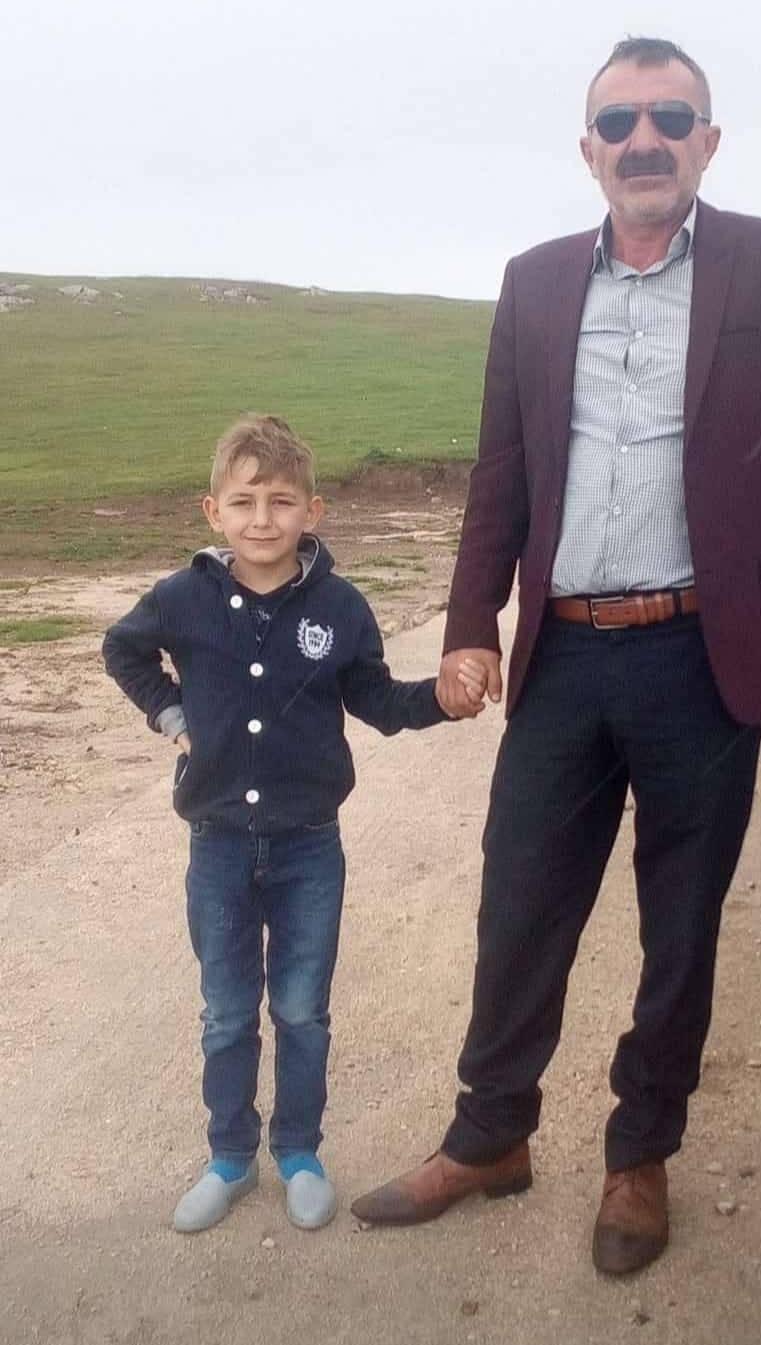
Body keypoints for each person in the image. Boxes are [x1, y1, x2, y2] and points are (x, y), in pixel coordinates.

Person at [350, 36, 761, 1274]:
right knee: (520, 900)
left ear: (708, 142)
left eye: (671, 118)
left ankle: (640, 1153)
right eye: (621, 122)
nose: (645, 141)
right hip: (566, 656)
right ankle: (491, 1134)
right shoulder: (531, 283)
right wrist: (469, 625)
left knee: (679, 922)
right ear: (588, 150)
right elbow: (502, 471)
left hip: (704, 653)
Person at [102, 415, 482, 1234]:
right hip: (217, 845)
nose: (262, 519)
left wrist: (441, 700)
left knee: (302, 1009)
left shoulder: (339, 607)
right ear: (213, 511)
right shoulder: (182, 597)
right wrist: (174, 717)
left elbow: (377, 699)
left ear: (313, 510)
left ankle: (300, 1151)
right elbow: (122, 648)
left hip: (311, 845)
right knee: (226, 1011)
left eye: (281, 501)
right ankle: (230, 1157)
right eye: (244, 502)